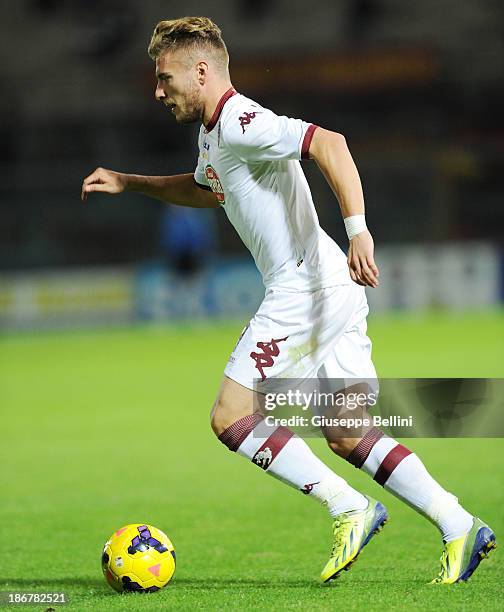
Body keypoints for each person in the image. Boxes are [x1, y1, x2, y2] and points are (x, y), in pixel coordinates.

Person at [81, 16, 495, 584]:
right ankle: (459, 523)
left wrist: (358, 229)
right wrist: (130, 181)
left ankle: (348, 507)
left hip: (306, 288)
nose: (157, 91)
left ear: (201, 72)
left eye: (164, 77)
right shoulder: (213, 134)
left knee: (232, 416)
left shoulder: (242, 121)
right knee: (348, 432)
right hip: (331, 286)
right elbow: (206, 190)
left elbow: (329, 142)